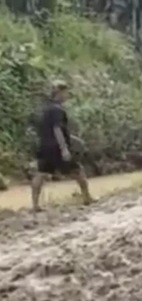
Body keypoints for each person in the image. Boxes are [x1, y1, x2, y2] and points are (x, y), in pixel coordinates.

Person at [31, 80, 93, 212]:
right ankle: (87, 197)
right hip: (57, 146)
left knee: (41, 174)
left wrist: (73, 139)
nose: (67, 95)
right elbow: (57, 129)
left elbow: (47, 129)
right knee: (78, 170)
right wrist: (64, 148)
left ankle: (35, 205)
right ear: (59, 93)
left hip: (44, 146)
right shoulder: (58, 110)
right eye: (65, 92)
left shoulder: (45, 110)